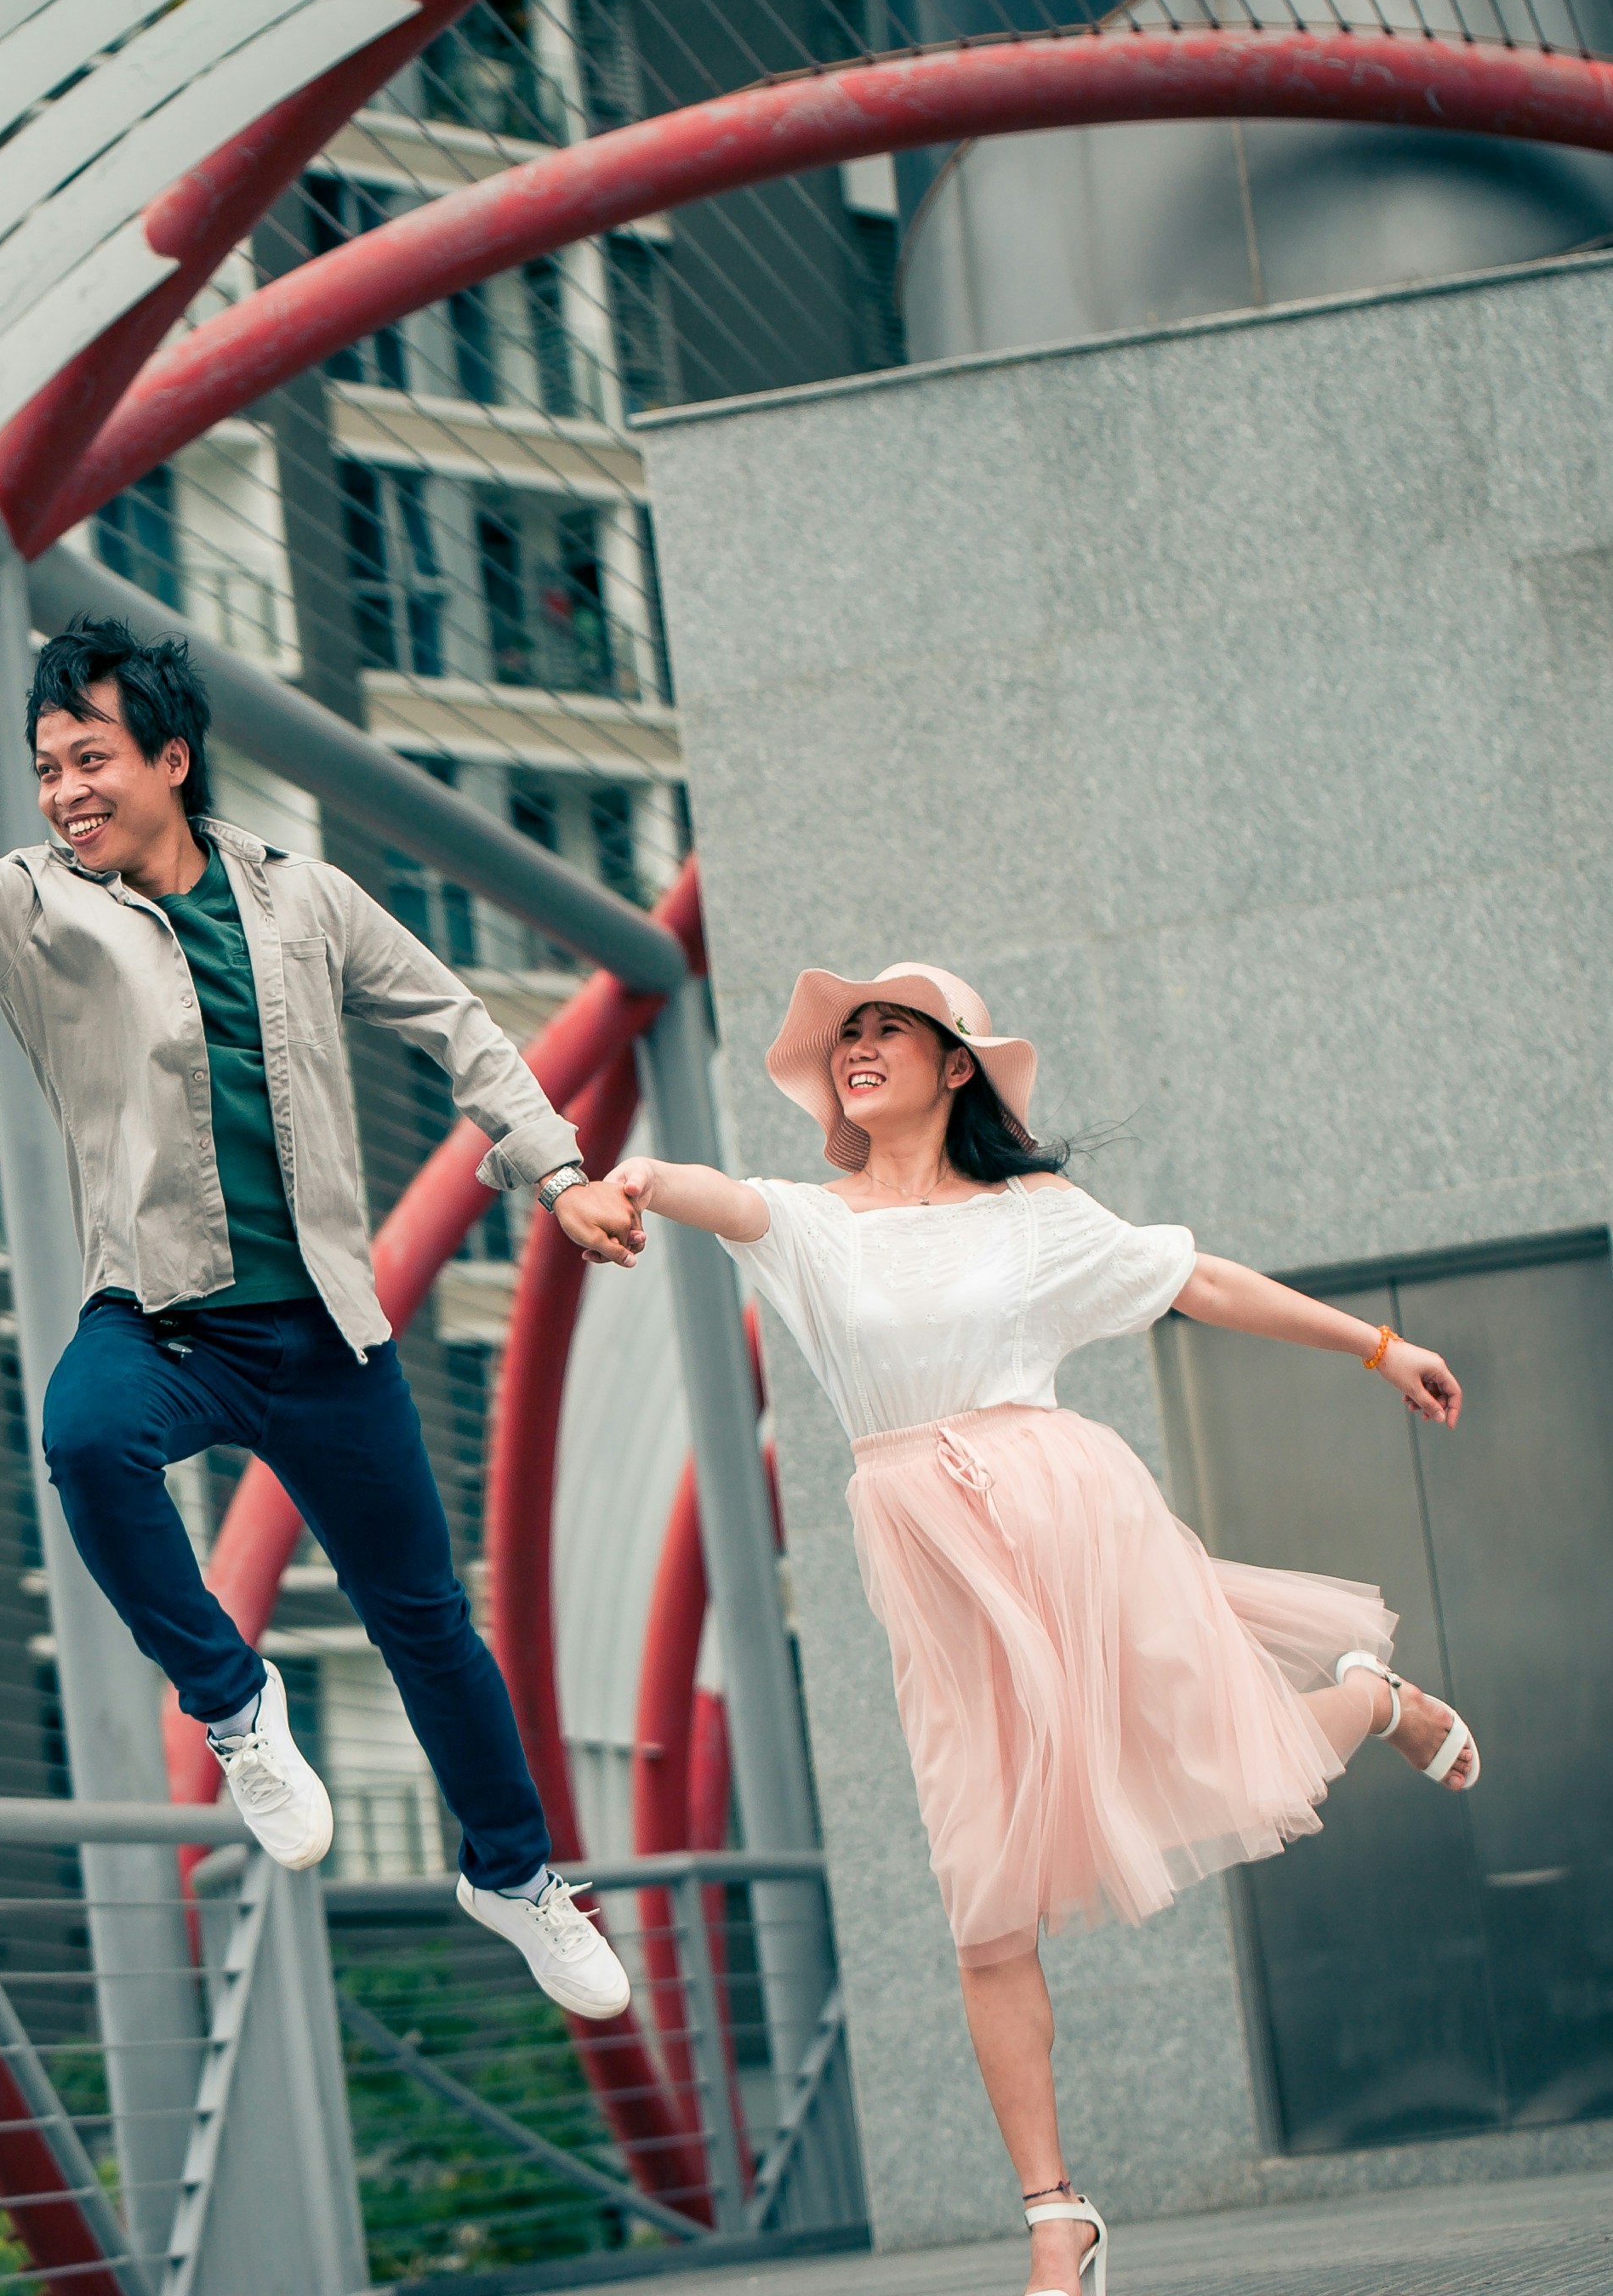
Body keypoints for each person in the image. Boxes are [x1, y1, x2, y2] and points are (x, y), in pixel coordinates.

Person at [0, 614, 648, 2020]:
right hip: (165, 1318)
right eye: (48, 767)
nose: (65, 792)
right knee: (87, 1436)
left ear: (173, 758)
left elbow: (460, 1025)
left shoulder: (307, 901)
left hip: (324, 1335)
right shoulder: (30, 907)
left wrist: (557, 1174)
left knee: (427, 1622)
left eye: (92, 760)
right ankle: (235, 1710)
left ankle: (518, 1878)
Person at [602, 962, 1483, 2296]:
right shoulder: (807, 1224)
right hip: (931, 1562)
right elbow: (699, 1187)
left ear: (956, 1063)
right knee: (986, 1902)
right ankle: (1056, 2216)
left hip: (1069, 1509)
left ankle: (1368, 1699)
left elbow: (1202, 1282)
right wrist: (631, 1182)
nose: (856, 1044)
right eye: (845, 1031)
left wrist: (1372, 1346)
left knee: (1226, 1765)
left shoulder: (1036, 1216)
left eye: (886, 1025)